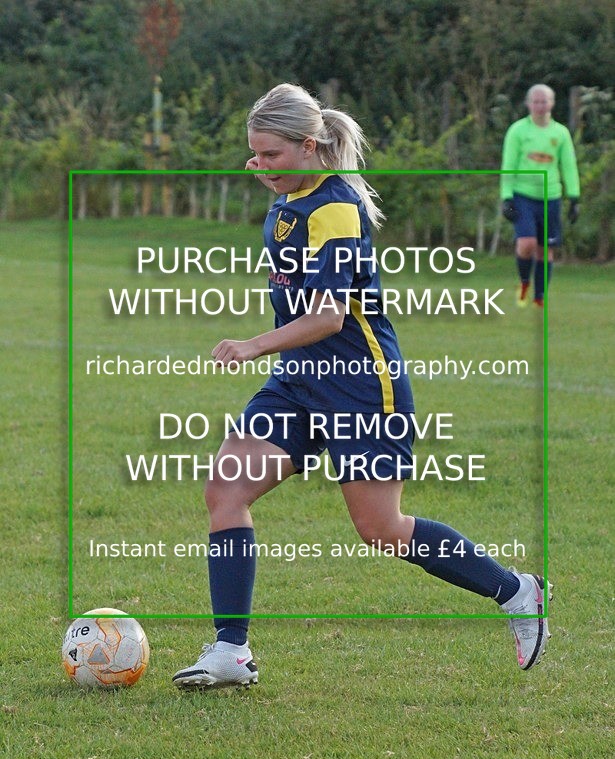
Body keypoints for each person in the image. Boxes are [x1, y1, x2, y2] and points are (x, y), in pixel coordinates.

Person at [172, 84, 551, 689]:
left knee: (381, 530)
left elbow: (329, 317)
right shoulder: (289, 198)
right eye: (253, 154)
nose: (258, 166)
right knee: (225, 491)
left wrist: (252, 344)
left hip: (360, 385)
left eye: (270, 155)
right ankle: (230, 651)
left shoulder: (334, 208)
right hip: (298, 382)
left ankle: (516, 591)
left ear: (309, 145)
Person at [500, 83, 580, 307]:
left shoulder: (560, 133)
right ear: (528, 104)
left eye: (544, 101)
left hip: (551, 196)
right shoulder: (518, 131)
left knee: (546, 249)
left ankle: (539, 296)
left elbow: (569, 166)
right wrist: (506, 197)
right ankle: (524, 282)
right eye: (535, 101)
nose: (540, 106)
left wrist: (574, 197)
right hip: (523, 196)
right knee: (526, 244)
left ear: (552, 104)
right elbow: (508, 165)